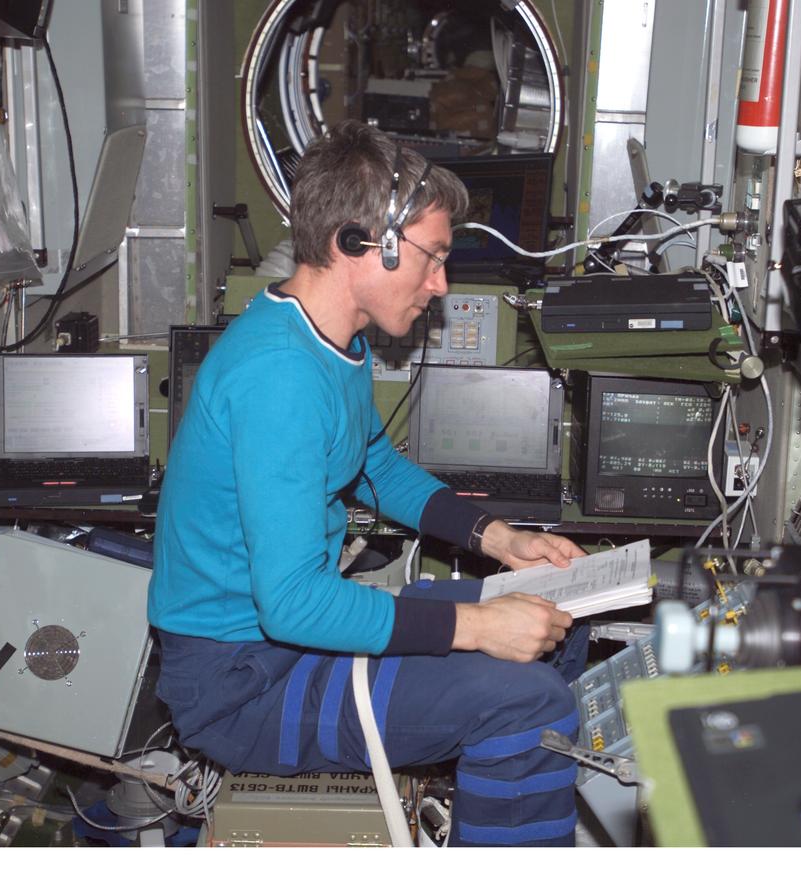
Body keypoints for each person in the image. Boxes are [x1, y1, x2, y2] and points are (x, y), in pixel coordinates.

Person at [147, 120, 587, 846]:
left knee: (553, 616)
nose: (440, 284)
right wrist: (478, 628)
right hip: (243, 685)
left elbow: (374, 465)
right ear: (361, 243)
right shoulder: (281, 377)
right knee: (528, 703)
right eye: (432, 256)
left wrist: (500, 540)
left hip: (282, 647)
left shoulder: (327, 341)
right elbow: (292, 604)